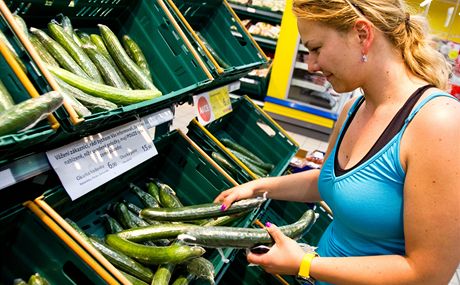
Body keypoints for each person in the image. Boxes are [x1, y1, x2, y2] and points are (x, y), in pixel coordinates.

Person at [215, 0, 460, 284]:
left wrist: (305, 264)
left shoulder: (439, 123)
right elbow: (330, 181)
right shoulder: (354, 108)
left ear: (362, 35)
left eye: (316, 48)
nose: (312, 64)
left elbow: (428, 274)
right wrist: (259, 187)